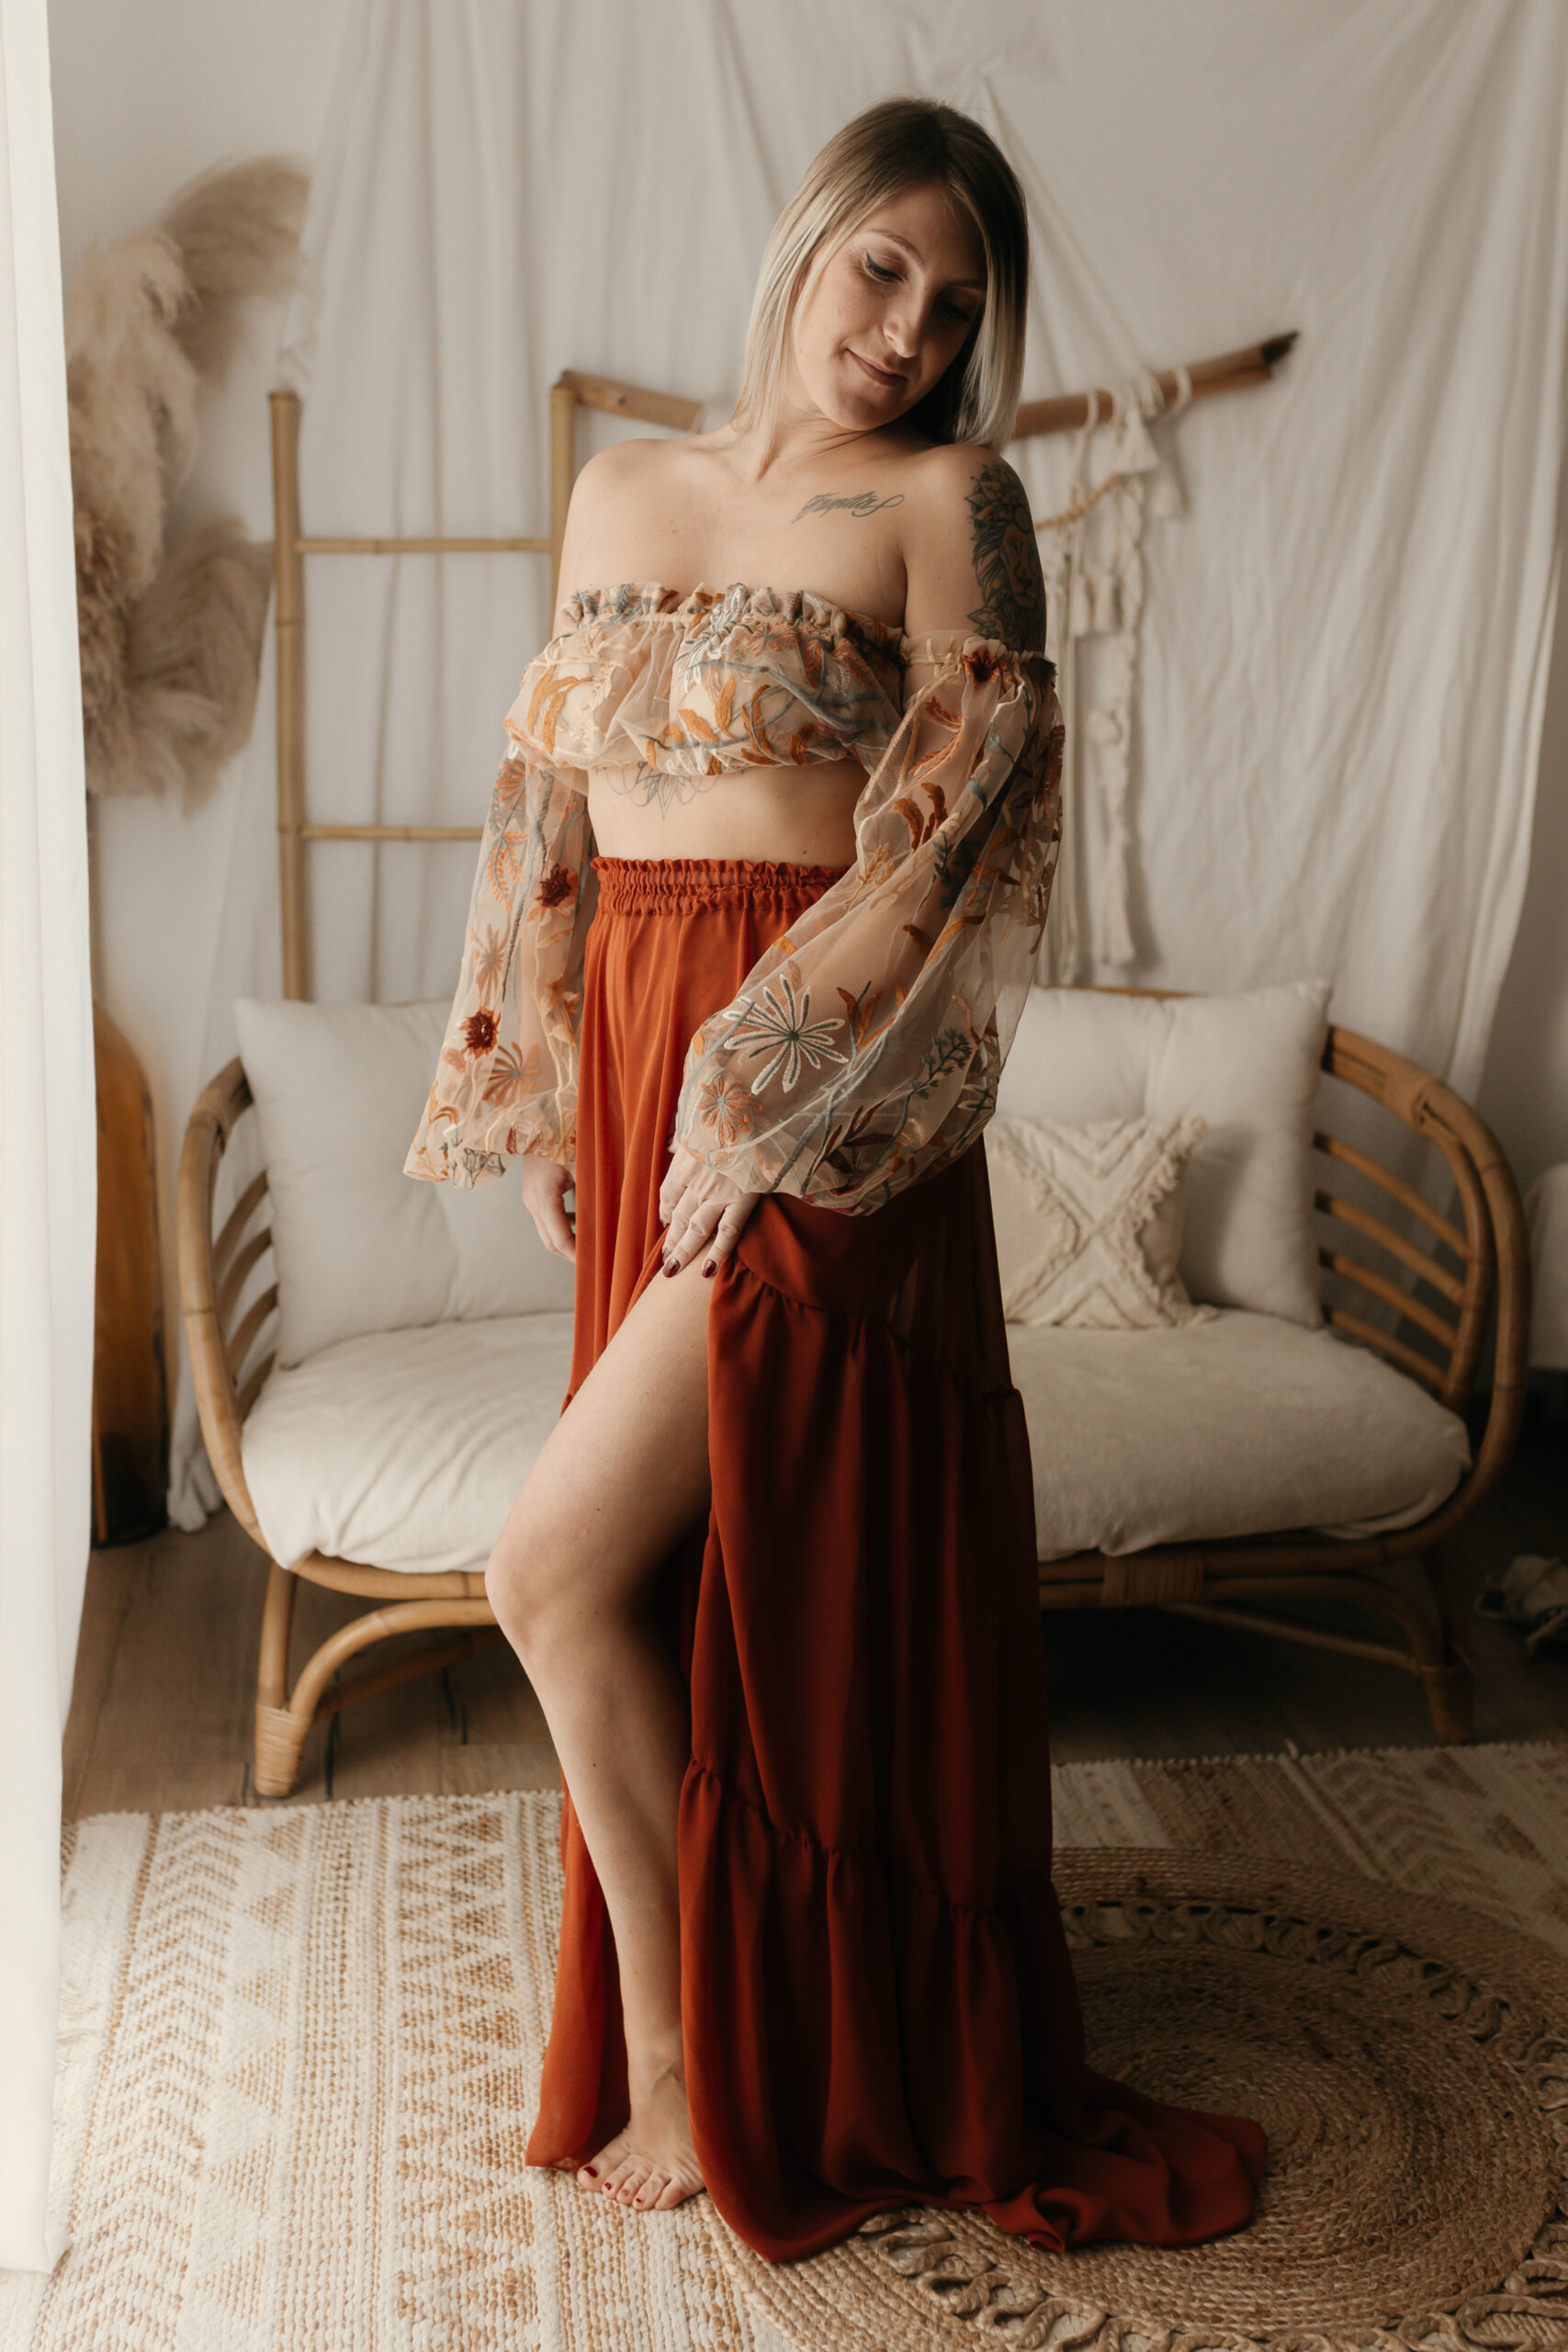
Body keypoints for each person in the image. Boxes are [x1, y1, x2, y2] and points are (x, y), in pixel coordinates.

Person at [407, 95, 1267, 2263]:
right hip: (638, 1061)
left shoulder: (953, 500)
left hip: (828, 1094)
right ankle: (731, 2022)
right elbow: (544, 804)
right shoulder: (620, 484)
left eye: (953, 304)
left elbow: (959, 841)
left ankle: (692, 2056)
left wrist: (756, 1092)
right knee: (666, 1583)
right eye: (882, 267)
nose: (904, 328)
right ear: (807, 242)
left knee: (551, 1567)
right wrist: (538, 1082)